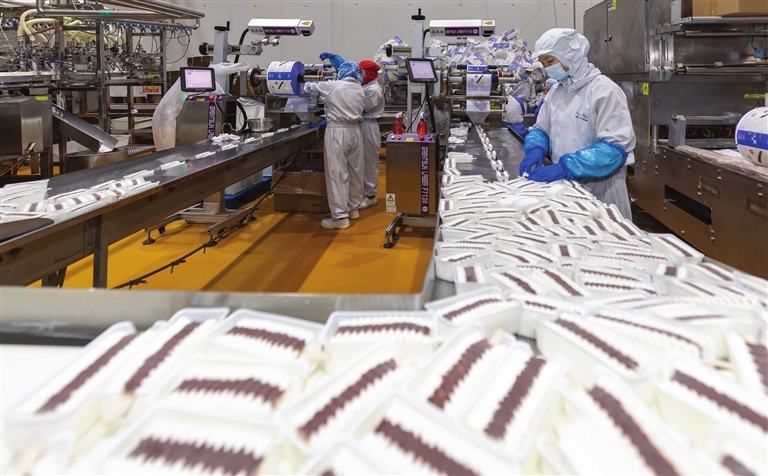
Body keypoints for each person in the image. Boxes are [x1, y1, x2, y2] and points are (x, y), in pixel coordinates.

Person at [519, 28, 636, 219]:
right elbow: (541, 129)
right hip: (563, 190)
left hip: (600, 192)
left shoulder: (604, 91)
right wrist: (535, 148)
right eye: (543, 63)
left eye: (550, 61)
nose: (547, 68)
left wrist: (567, 167)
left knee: (600, 234)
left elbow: (615, 149)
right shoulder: (556, 92)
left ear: (571, 57)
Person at [302, 61, 366, 229]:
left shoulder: (333, 86)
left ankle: (340, 217)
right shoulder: (359, 88)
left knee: (337, 173)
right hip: (355, 131)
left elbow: (308, 88)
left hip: (338, 132)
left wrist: (302, 78)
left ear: (342, 72)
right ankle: (353, 208)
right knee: (355, 171)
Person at [357, 60, 385, 210]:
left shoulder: (373, 90)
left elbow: (361, 109)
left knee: (369, 162)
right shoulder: (364, 85)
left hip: (368, 125)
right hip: (360, 125)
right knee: (358, 161)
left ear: (368, 73)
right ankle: (360, 193)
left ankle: (370, 196)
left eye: (361, 71)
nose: (359, 74)